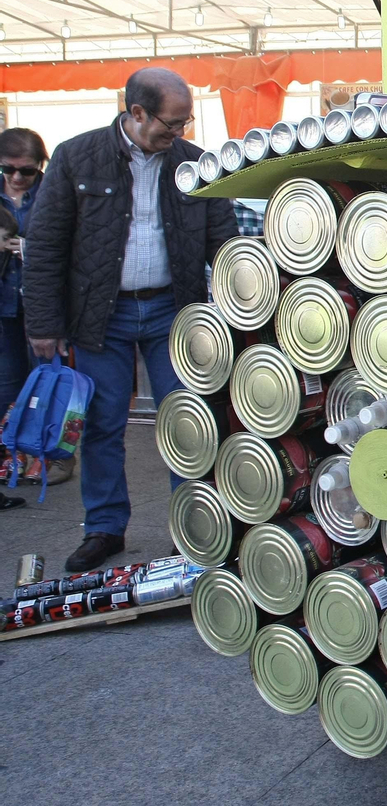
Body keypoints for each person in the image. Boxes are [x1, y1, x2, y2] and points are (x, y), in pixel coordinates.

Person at [25, 68, 238, 571]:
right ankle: (103, 529)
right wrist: (42, 324)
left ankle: (191, 531)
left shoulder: (194, 162)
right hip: (101, 314)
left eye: (186, 123)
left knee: (188, 425)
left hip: (173, 310)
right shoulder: (77, 156)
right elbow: (47, 245)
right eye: (172, 123)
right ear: (136, 113)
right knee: (101, 425)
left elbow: (225, 239)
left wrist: (240, 305)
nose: (179, 134)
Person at [0, 129, 48, 507]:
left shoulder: (51, 193)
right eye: (8, 169)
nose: (16, 177)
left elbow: (67, 242)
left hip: (42, 304)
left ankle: (49, 458)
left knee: (46, 386)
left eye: (26, 171)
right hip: (4, 302)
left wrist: (30, 248)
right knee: (7, 385)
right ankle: (11, 455)